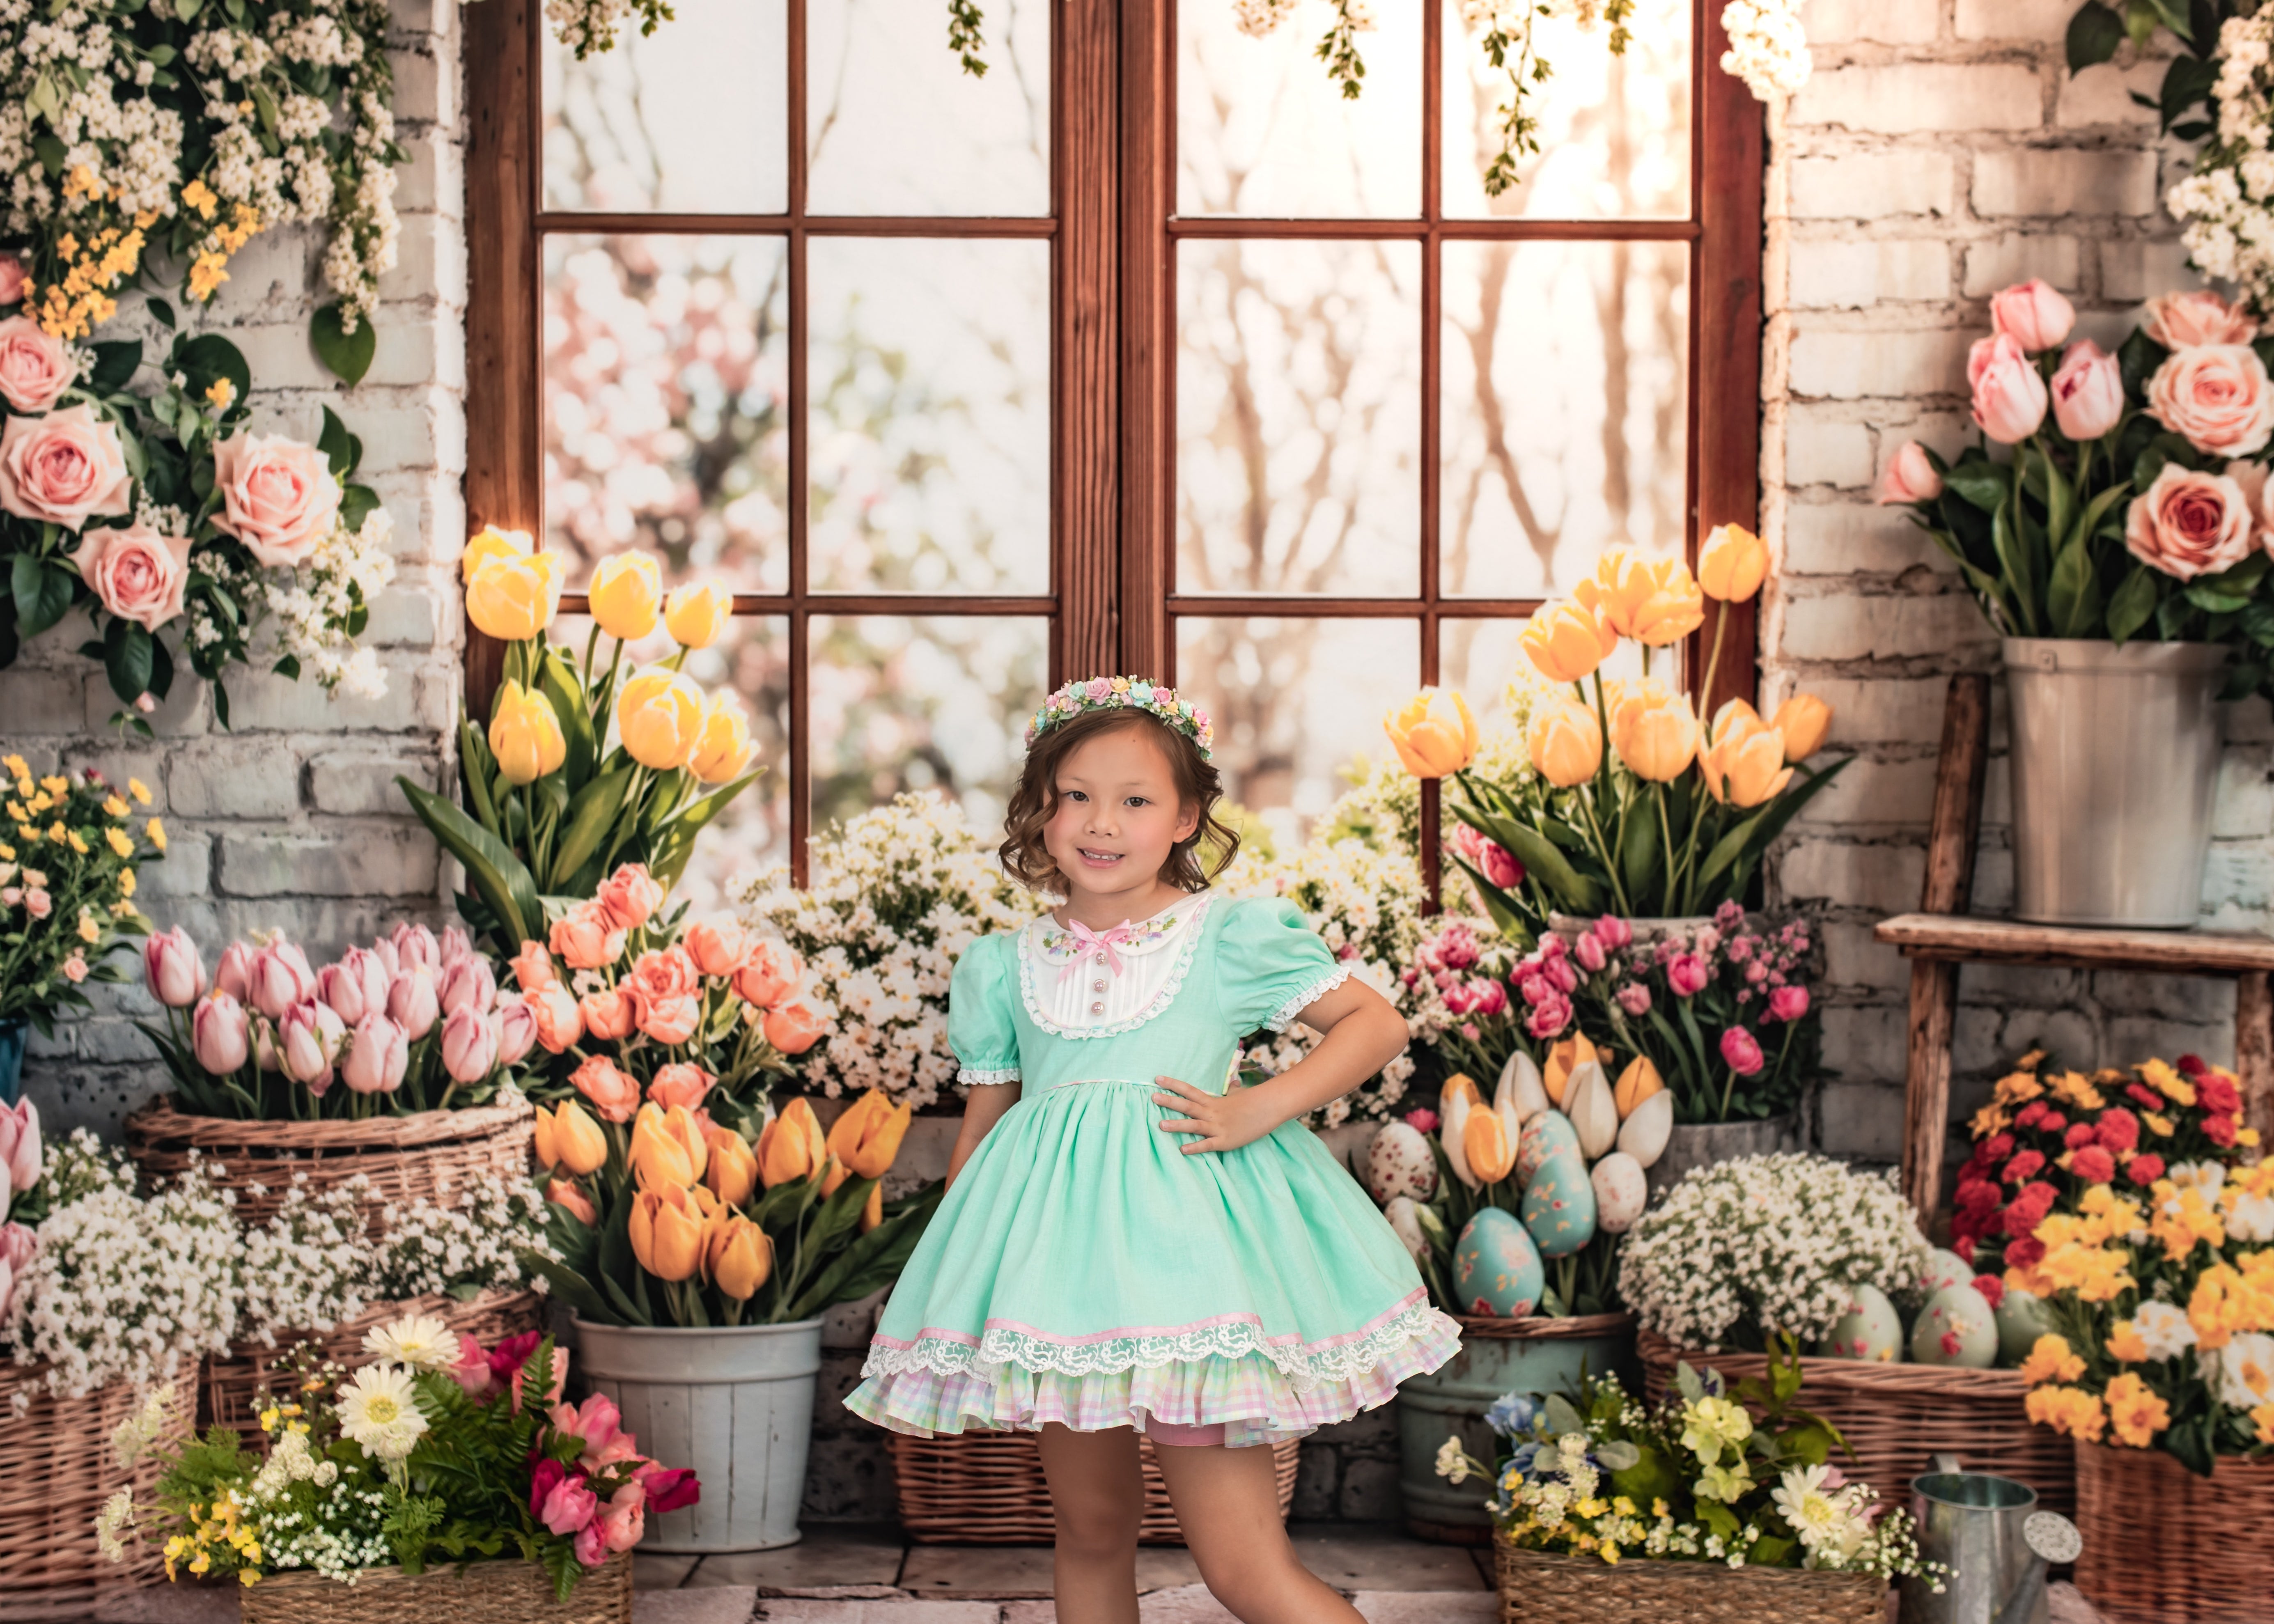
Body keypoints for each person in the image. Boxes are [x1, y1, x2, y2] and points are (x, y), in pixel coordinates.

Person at [844, 676, 1460, 1624]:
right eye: (1076, 794)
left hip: (1191, 1279)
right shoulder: (1004, 966)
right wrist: (964, 1276)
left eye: (1135, 800)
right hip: (1062, 1286)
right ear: (1040, 809)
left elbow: (1372, 1026)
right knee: (1089, 1535)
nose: (1101, 822)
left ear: (1185, 817)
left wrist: (1256, 1108)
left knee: (1241, 1564)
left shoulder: (1225, 938)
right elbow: (986, 1128)